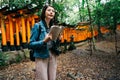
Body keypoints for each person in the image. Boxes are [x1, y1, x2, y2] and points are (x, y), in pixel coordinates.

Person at [29, 4, 59, 80]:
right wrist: (43, 41)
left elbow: (54, 43)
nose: (51, 12)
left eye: (53, 11)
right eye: (49, 10)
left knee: (52, 78)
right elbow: (31, 44)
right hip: (41, 56)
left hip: (52, 55)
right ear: (44, 12)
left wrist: (58, 39)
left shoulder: (53, 27)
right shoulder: (37, 26)